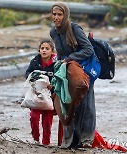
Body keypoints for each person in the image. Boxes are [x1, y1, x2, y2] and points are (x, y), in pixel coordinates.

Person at [50, 2, 96, 148]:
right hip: (66, 71)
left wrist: (70, 58)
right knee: (67, 103)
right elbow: (60, 53)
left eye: (59, 14)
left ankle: (86, 140)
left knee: (86, 106)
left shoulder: (74, 28)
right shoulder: (53, 32)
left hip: (83, 71)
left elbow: (88, 50)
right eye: (54, 14)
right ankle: (69, 141)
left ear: (66, 15)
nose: (56, 17)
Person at [25, 39, 57, 145]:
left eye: (47, 49)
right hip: (36, 95)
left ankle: (46, 142)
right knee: (34, 117)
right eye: (42, 48)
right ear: (39, 50)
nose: (44, 50)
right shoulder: (35, 61)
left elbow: (59, 77)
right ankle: (35, 139)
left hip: (49, 96)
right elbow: (28, 73)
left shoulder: (56, 63)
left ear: (52, 51)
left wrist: (51, 85)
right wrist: (34, 78)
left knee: (47, 121)